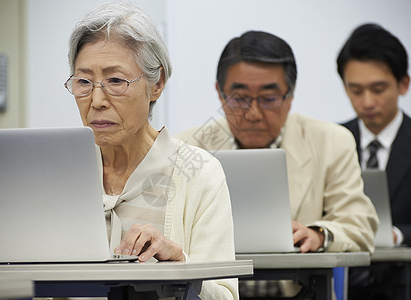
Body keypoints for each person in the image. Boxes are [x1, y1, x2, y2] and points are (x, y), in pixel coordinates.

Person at [176, 30, 379, 297]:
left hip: (296, 292)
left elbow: (360, 225)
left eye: (269, 98)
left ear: (290, 95)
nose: (253, 113)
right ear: (219, 92)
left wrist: (318, 234)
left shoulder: (330, 141)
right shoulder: (188, 147)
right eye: (239, 98)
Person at [63, 3, 237, 299]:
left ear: (157, 84)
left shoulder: (199, 173)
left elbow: (225, 295)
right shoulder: (63, 174)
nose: (97, 100)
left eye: (115, 81)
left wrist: (180, 266)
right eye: (84, 82)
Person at [337, 23, 411, 300]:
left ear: (404, 84)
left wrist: (395, 235)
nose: (367, 102)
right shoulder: (333, 140)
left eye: (378, 89)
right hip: (339, 285)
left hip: (410, 285)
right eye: (355, 90)